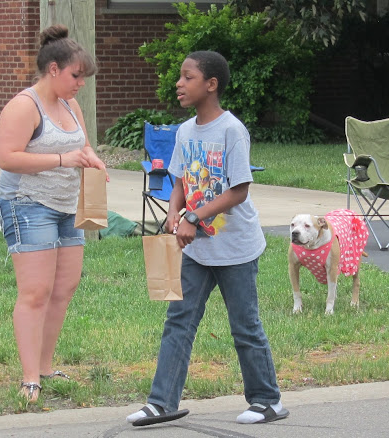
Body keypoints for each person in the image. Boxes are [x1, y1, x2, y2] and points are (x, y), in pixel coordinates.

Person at [127, 51, 289, 426]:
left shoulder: (232, 130)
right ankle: (161, 402)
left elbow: (239, 191)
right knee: (179, 320)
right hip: (197, 248)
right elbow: (180, 180)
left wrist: (195, 217)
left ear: (211, 84)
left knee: (244, 325)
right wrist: (172, 214)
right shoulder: (185, 131)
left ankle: (267, 400)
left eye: (187, 77)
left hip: (235, 249)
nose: (179, 84)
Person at [0, 24, 106, 402]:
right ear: (54, 69)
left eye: (84, 78)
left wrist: (93, 160)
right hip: (26, 205)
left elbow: (83, 145)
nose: (81, 84)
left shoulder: (71, 105)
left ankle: (45, 366)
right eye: (76, 76)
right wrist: (62, 158)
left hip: (65, 206)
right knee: (36, 291)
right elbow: (6, 157)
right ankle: (29, 378)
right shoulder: (24, 106)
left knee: (63, 288)